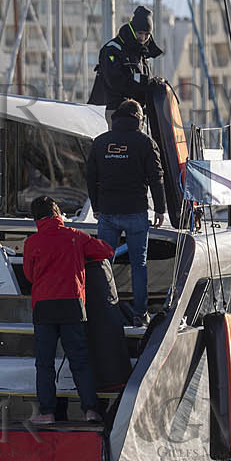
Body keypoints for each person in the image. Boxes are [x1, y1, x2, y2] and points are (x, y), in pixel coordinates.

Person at [21, 195, 114, 425]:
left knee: (44, 364)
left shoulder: (32, 242)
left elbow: (29, 276)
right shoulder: (75, 236)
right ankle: (90, 410)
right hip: (72, 304)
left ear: (36, 218)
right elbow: (107, 251)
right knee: (79, 361)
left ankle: (47, 413)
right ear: (57, 214)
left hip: (44, 306)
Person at [85, 98, 166, 321]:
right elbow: (156, 178)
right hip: (135, 211)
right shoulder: (145, 142)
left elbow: (91, 176)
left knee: (104, 264)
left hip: (107, 212)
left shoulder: (101, 142)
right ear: (139, 118)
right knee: (138, 266)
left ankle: (102, 313)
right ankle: (140, 314)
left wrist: (96, 206)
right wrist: (160, 209)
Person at [88, 5, 164, 114]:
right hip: (114, 111)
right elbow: (116, 81)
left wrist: (153, 85)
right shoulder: (112, 49)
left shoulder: (142, 55)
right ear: (132, 30)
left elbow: (141, 85)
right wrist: (144, 81)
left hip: (136, 113)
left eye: (147, 34)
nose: (143, 38)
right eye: (140, 33)